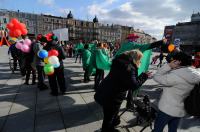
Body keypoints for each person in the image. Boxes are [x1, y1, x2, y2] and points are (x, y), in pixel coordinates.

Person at [94, 49, 151, 132]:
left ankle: (110, 128)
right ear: (136, 58)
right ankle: (106, 129)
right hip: (112, 96)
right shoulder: (129, 67)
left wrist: (142, 75)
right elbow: (133, 85)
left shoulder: (120, 62)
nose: (140, 61)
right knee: (109, 118)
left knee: (110, 115)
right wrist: (144, 76)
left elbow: (128, 81)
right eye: (140, 59)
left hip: (106, 91)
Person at [153, 52, 200, 132]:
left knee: (157, 129)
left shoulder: (175, 76)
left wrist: (168, 66)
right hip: (180, 110)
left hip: (166, 109)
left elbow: (156, 77)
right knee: (173, 130)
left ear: (178, 62)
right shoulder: (196, 74)